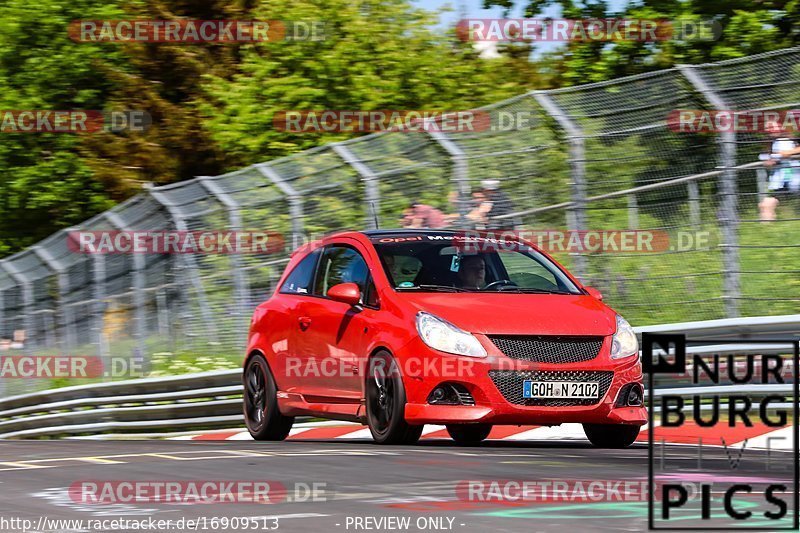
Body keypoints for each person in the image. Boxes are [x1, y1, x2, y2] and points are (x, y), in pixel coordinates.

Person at [759, 122, 800, 221]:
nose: (769, 130)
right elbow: (765, 157)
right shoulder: (772, 142)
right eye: (767, 128)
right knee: (766, 204)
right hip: (782, 179)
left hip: (795, 177)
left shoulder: (790, 139)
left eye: (772, 127)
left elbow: (788, 152)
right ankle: (767, 229)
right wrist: (768, 161)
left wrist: (787, 153)